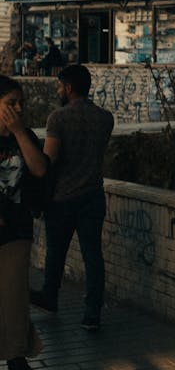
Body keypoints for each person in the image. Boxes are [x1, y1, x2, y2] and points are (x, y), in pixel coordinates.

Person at [31, 64, 114, 331]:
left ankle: (49, 296)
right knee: (93, 255)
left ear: (68, 88)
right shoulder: (105, 118)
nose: (57, 90)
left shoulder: (58, 118)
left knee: (56, 251)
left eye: (59, 86)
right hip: (93, 196)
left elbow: (50, 160)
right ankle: (92, 312)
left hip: (62, 198)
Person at [0, 74, 49, 370]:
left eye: (21, 103)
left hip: (16, 231)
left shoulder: (25, 135)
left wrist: (18, 133)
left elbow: (40, 170)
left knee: (14, 296)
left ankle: (17, 355)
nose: (18, 108)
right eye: (10, 103)